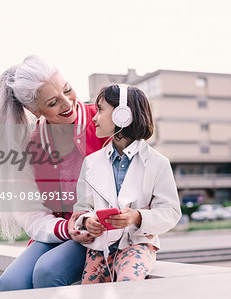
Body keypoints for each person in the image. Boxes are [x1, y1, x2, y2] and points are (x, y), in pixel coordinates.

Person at [0, 55, 106, 291]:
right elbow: (32, 215)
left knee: (48, 271)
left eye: (68, 90)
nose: (68, 104)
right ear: (33, 109)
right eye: (53, 102)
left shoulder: (103, 125)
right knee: (11, 281)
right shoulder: (28, 145)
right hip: (60, 229)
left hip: (98, 229)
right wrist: (66, 228)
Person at [73, 84, 181, 283]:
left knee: (128, 280)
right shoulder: (91, 163)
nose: (94, 117)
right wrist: (87, 221)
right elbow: (81, 207)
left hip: (138, 244)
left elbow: (171, 212)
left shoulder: (158, 163)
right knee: (90, 288)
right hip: (100, 247)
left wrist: (138, 216)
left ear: (122, 114)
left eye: (100, 109)